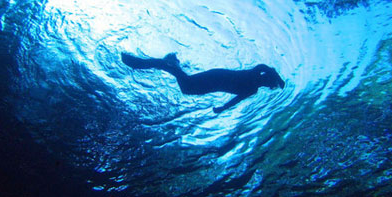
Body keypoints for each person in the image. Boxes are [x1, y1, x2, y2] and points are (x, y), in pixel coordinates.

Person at [121, 52, 285, 113]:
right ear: (267, 78)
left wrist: (222, 108)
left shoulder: (253, 89)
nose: (267, 86)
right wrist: (279, 77)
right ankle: (145, 63)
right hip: (214, 78)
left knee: (186, 86)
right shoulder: (256, 73)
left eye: (269, 86)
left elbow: (236, 100)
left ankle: (172, 62)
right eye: (270, 84)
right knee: (185, 82)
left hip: (211, 83)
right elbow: (265, 67)